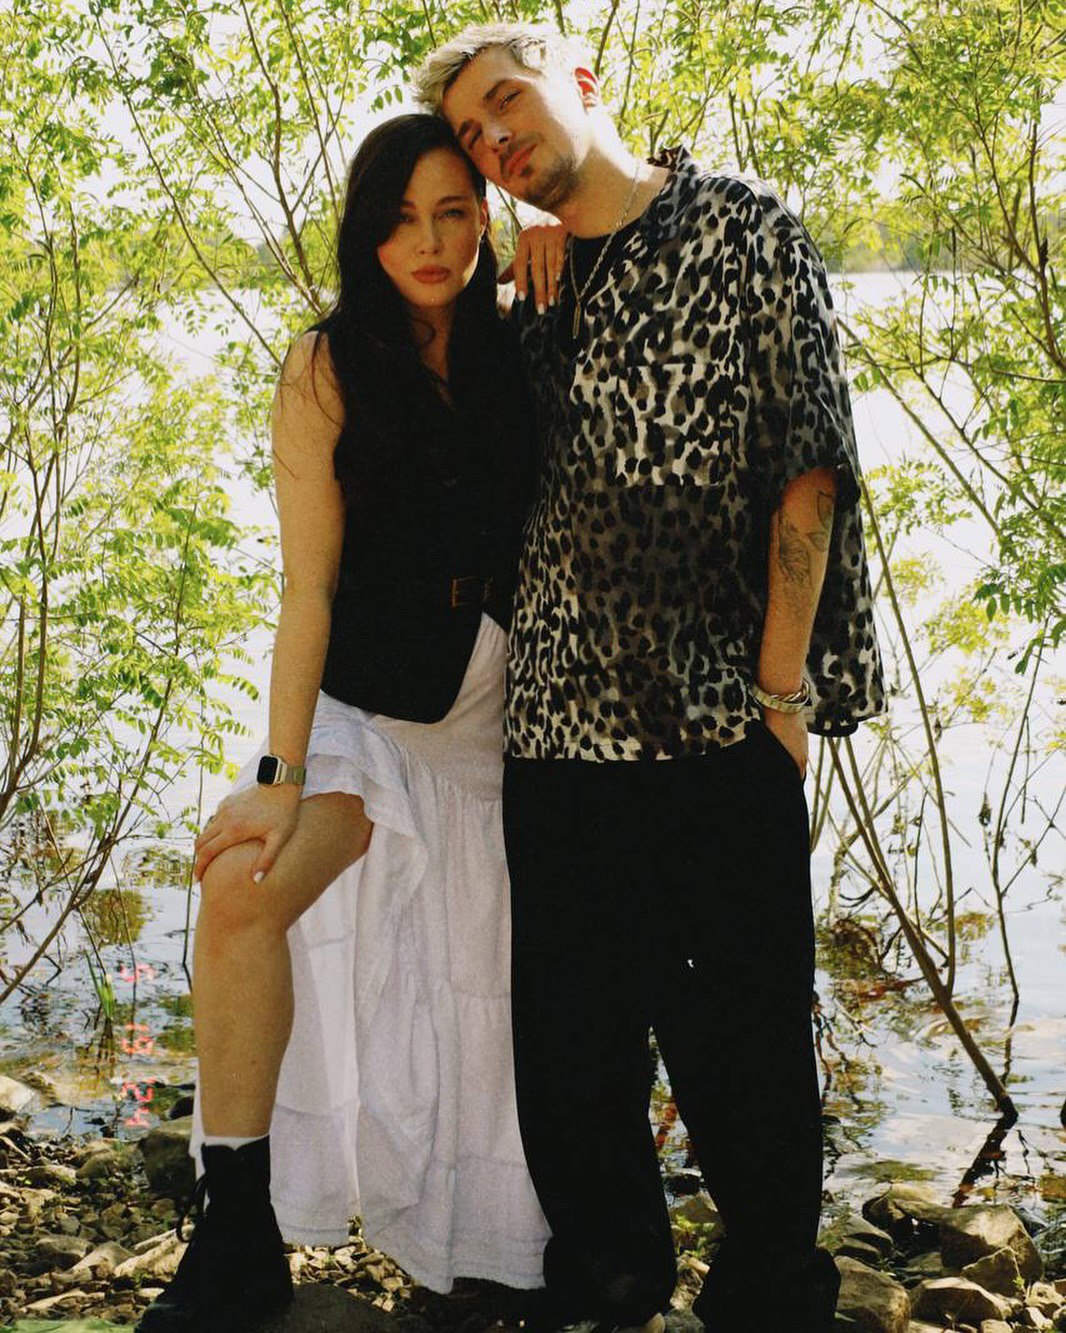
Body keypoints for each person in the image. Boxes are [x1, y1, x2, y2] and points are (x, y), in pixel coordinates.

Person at [415, 25, 887, 1333]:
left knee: (746, 1049)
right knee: (573, 1063)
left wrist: (780, 697)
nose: (494, 139)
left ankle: (770, 1293)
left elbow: (807, 467)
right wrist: (512, 271)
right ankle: (608, 1287)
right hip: (552, 735)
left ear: (579, 83)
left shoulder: (743, 232)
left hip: (713, 723)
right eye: (471, 135)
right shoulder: (528, 293)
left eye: (506, 102)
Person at [137, 113, 551, 1333]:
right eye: (400, 219)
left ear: (483, 219)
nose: (427, 241)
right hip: (365, 711)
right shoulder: (324, 367)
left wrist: (559, 235)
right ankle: (236, 1230)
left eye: (452, 213)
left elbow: (624, 198)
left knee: (486, 992)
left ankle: (496, 1240)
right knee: (243, 888)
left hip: (494, 726)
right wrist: (278, 774)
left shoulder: (522, 340)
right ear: (365, 234)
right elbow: (307, 587)